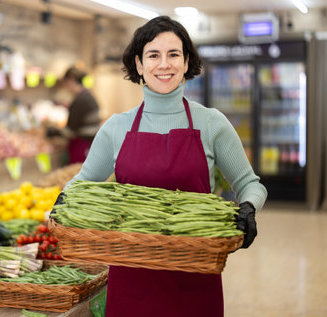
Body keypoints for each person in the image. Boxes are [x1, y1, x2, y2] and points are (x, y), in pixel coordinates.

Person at [58, 16, 267, 316]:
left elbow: (250, 184)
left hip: (195, 278)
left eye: (174, 54)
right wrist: (63, 199)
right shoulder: (117, 127)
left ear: (186, 63)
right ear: (139, 65)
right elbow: (81, 183)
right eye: (153, 55)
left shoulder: (211, 123)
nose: (164, 64)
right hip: (131, 281)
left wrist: (248, 207)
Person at [48, 66, 101, 164]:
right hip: (90, 145)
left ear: (71, 81)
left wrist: (53, 132)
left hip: (81, 146)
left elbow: (70, 131)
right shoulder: (89, 96)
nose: (66, 87)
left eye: (65, 83)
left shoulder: (80, 101)